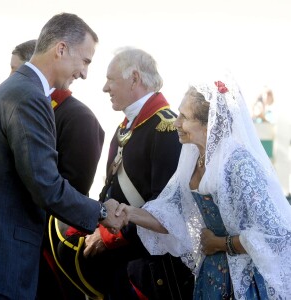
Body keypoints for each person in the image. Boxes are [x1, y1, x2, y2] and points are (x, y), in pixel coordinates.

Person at [115, 78, 291, 299]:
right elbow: (171, 214)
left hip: (245, 281)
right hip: (212, 273)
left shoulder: (239, 164)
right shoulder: (193, 157)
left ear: (210, 125)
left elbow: (278, 234)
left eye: (184, 117)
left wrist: (220, 243)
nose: (176, 123)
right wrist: (128, 212)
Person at [0, 13, 124, 299]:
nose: (85, 74)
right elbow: (45, 185)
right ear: (61, 49)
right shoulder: (28, 96)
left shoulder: (11, 90)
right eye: (85, 61)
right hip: (6, 262)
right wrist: (101, 213)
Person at [57, 47, 194, 300]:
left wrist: (110, 236)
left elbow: (167, 210)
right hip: (122, 265)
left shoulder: (164, 129)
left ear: (134, 78)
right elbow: (109, 189)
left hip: (145, 270)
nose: (105, 88)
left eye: (110, 79)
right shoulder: (127, 126)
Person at [10, 38, 105, 300]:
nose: (11, 78)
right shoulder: (16, 105)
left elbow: (74, 187)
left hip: (47, 247)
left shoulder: (79, 118)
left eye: (16, 71)